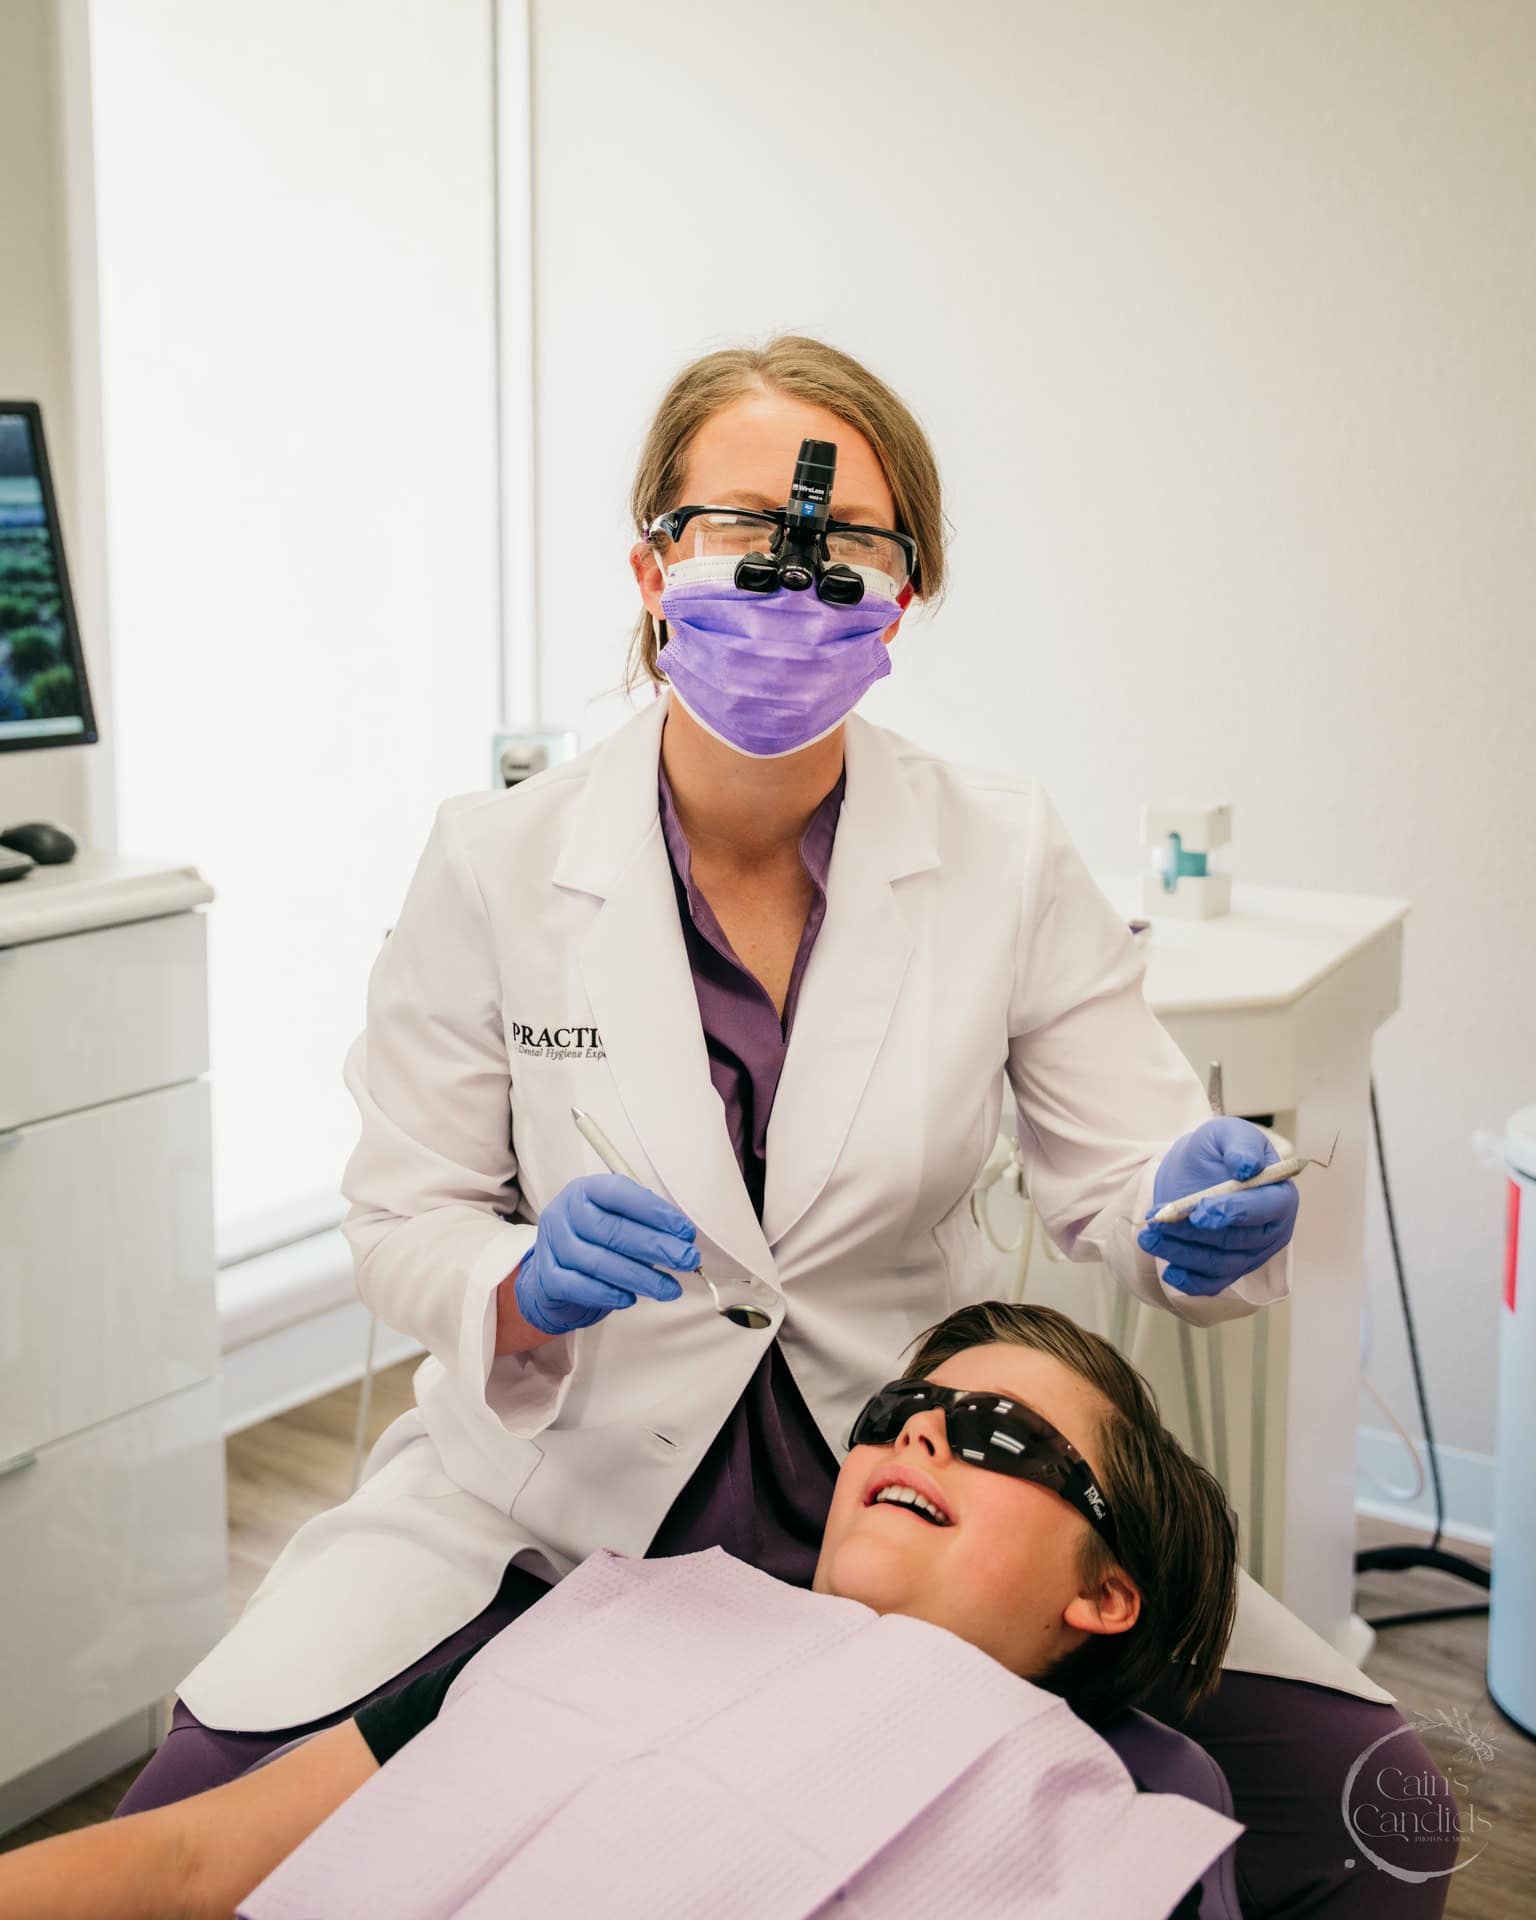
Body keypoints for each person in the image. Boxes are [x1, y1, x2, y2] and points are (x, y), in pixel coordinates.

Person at [114, 335, 1446, 1915]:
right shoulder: (496, 861)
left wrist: (1195, 1202)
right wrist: (517, 1285)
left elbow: (1127, 1174)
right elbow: (404, 1217)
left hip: (903, 1491)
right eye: (743, 528)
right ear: (649, 563)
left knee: (1380, 1812)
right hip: (561, 1496)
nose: (791, 577)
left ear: (906, 595)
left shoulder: (997, 849)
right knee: (188, 1817)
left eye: (847, 546)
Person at [5, 1303, 1243, 1918]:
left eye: (995, 1434)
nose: (919, 1425)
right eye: (899, 1413)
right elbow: (192, 1857)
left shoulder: (1101, 1843)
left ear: (1105, 1592)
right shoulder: (595, 1626)